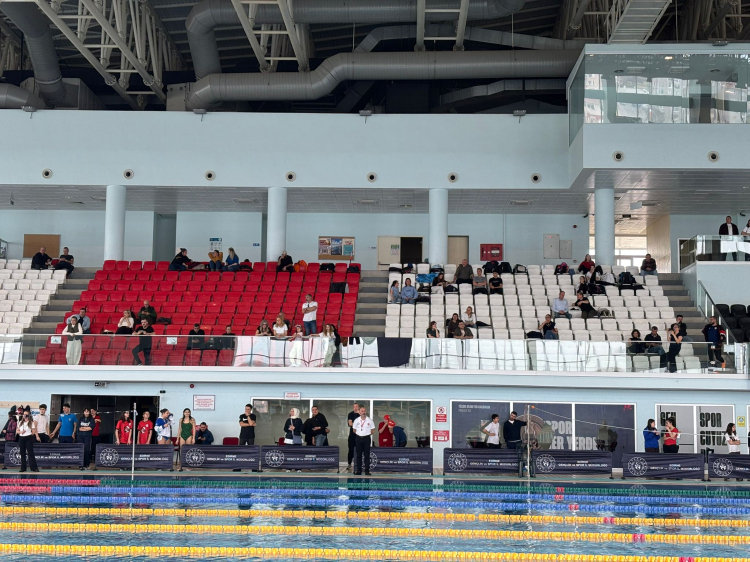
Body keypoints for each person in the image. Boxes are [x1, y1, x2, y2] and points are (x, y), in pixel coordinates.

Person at [352, 406, 375, 475]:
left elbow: (373, 430)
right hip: (358, 438)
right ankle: (359, 470)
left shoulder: (370, 420)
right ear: (359, 412)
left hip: (366, 438)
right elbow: (354, 430)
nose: (363, 412)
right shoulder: (356, 420)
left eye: (364, 411)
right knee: (358, 455)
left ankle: (367, 471)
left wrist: (365, 434)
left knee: (367, 455)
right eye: (362, 411)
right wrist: (360, 434)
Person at [347, 403, 361, 470]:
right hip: (352, 434)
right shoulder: (350, 414)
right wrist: (358, 425)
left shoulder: (361, 414)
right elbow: (350, 424)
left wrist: (359, 414)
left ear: (359, 407)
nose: (355, 408)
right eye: (354, 407)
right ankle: (349, 463)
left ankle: (358, 464)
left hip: (360, 434)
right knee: (351, 449)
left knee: (359, 449)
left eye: (357, 406)